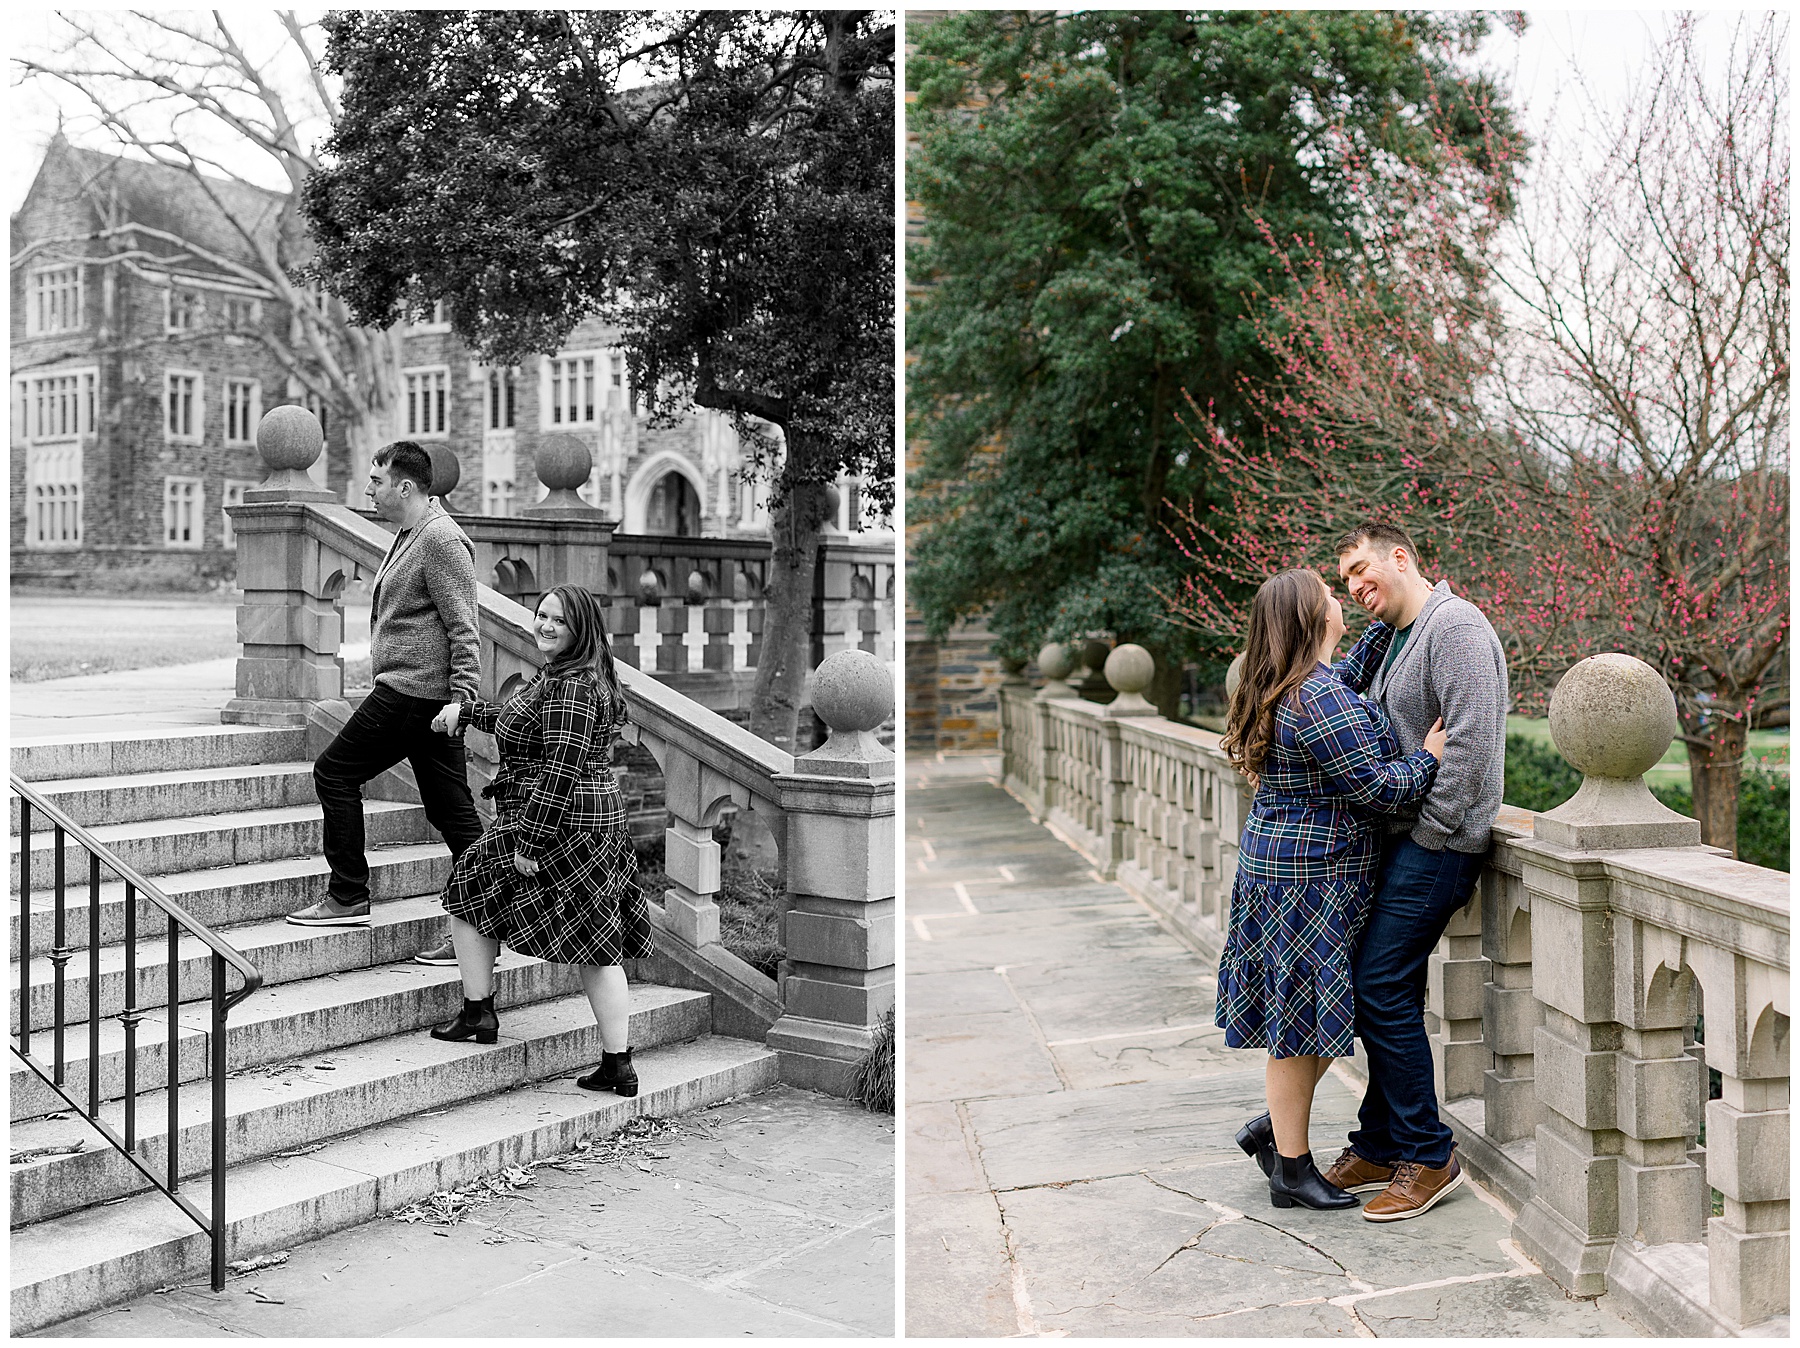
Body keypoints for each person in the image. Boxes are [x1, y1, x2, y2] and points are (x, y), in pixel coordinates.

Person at [1215, 568, 1445, 1210]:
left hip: (1284, 870)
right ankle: (1291, 1169)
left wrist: (1390, 620)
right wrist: (1427, 755)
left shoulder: (1299, 684)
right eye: (1331, 596)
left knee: (1316, 1013)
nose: (1341, 601)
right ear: (1313, 619)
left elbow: (1348, 674)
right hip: (1310, 879)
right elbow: (1381, 788)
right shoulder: (1319, 700)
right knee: (1301, 1021)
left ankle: (1276, 1126)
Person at [1322, 522, 1508, 1222]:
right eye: (1347, 582)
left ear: (1404, 556)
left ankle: (1429, 1155)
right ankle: (1378, 1142)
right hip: (1401, 843)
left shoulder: (1454, 626)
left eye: (1365, 570)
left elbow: (1470, 743)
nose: (1358, 587)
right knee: (1383, 987)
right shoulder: (1394, 637)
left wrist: (1431, 833)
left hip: (1440, 845)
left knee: (1376, 983)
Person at [425, 583, 652, 1096]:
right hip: (587, 822)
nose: (545, 625)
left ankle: (485, 1015)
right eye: (541, 614)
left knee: (478, 893)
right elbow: (524, 722)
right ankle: (485, 1015)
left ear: (580, 630)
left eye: (558, 620)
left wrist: (530, 842)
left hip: (565, 824)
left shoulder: (572, 687)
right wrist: (468, 713)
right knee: (482, 893)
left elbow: (560, 768)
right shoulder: (565, 676)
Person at [289, 441, 482, 958]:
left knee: (333, 771)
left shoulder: (441, 540)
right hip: (420, 696)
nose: (368, 491)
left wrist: (462, 701)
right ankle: (482, 926)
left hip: (413, 695)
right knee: (453, 812)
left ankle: (348, 894)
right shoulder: (410, 533)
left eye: (375, 482)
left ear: (405, 486)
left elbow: (465, 630)